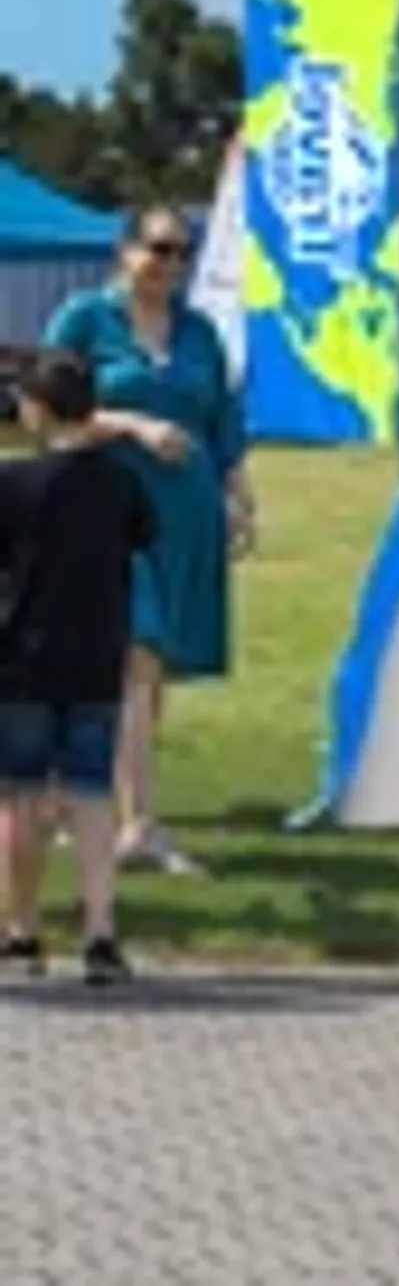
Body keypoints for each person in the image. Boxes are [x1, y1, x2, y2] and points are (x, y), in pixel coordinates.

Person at [44, 204, 252, 873]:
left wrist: (238, 494)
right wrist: (131, 424)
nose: (171, 266)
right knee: (130, 657)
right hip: (101, 511)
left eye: (182, 253)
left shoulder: (198, 332)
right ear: (125, 250)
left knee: (150, 671)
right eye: (159, 249)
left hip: (183, 517)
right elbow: (45, 408)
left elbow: (222, 419)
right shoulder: (83, 318)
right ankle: (132, 825)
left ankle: (82, 800)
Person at [0, 350, 157, 985]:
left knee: (21, 798)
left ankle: (23, 927)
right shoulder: (120, 483)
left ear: (36, 409)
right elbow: (143, 538)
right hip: (97, 655)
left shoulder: (14, 484)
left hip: (23, 657)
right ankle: (99, 932)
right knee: (92, 796)